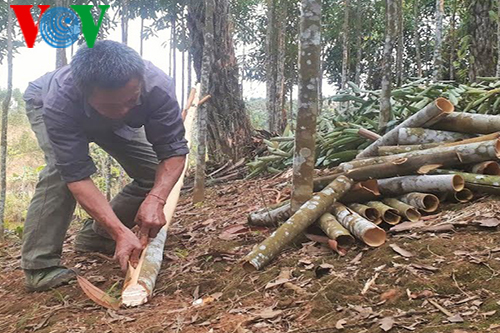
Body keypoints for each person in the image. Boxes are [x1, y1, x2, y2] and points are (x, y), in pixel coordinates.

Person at [21, 40, 188, 292]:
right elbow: (76, 175)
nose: (122, 111)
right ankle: (39, 265)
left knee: (152, 172)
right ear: (86, 93)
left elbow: (173, 151)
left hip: (100, 109)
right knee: (59, 171)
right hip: (44, 101)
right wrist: (121, 232)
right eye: (111, 105)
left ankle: (96, 236)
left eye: (131, 101)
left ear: (140, 83)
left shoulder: (157, 87)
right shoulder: (60, 102)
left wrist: (156, 198)